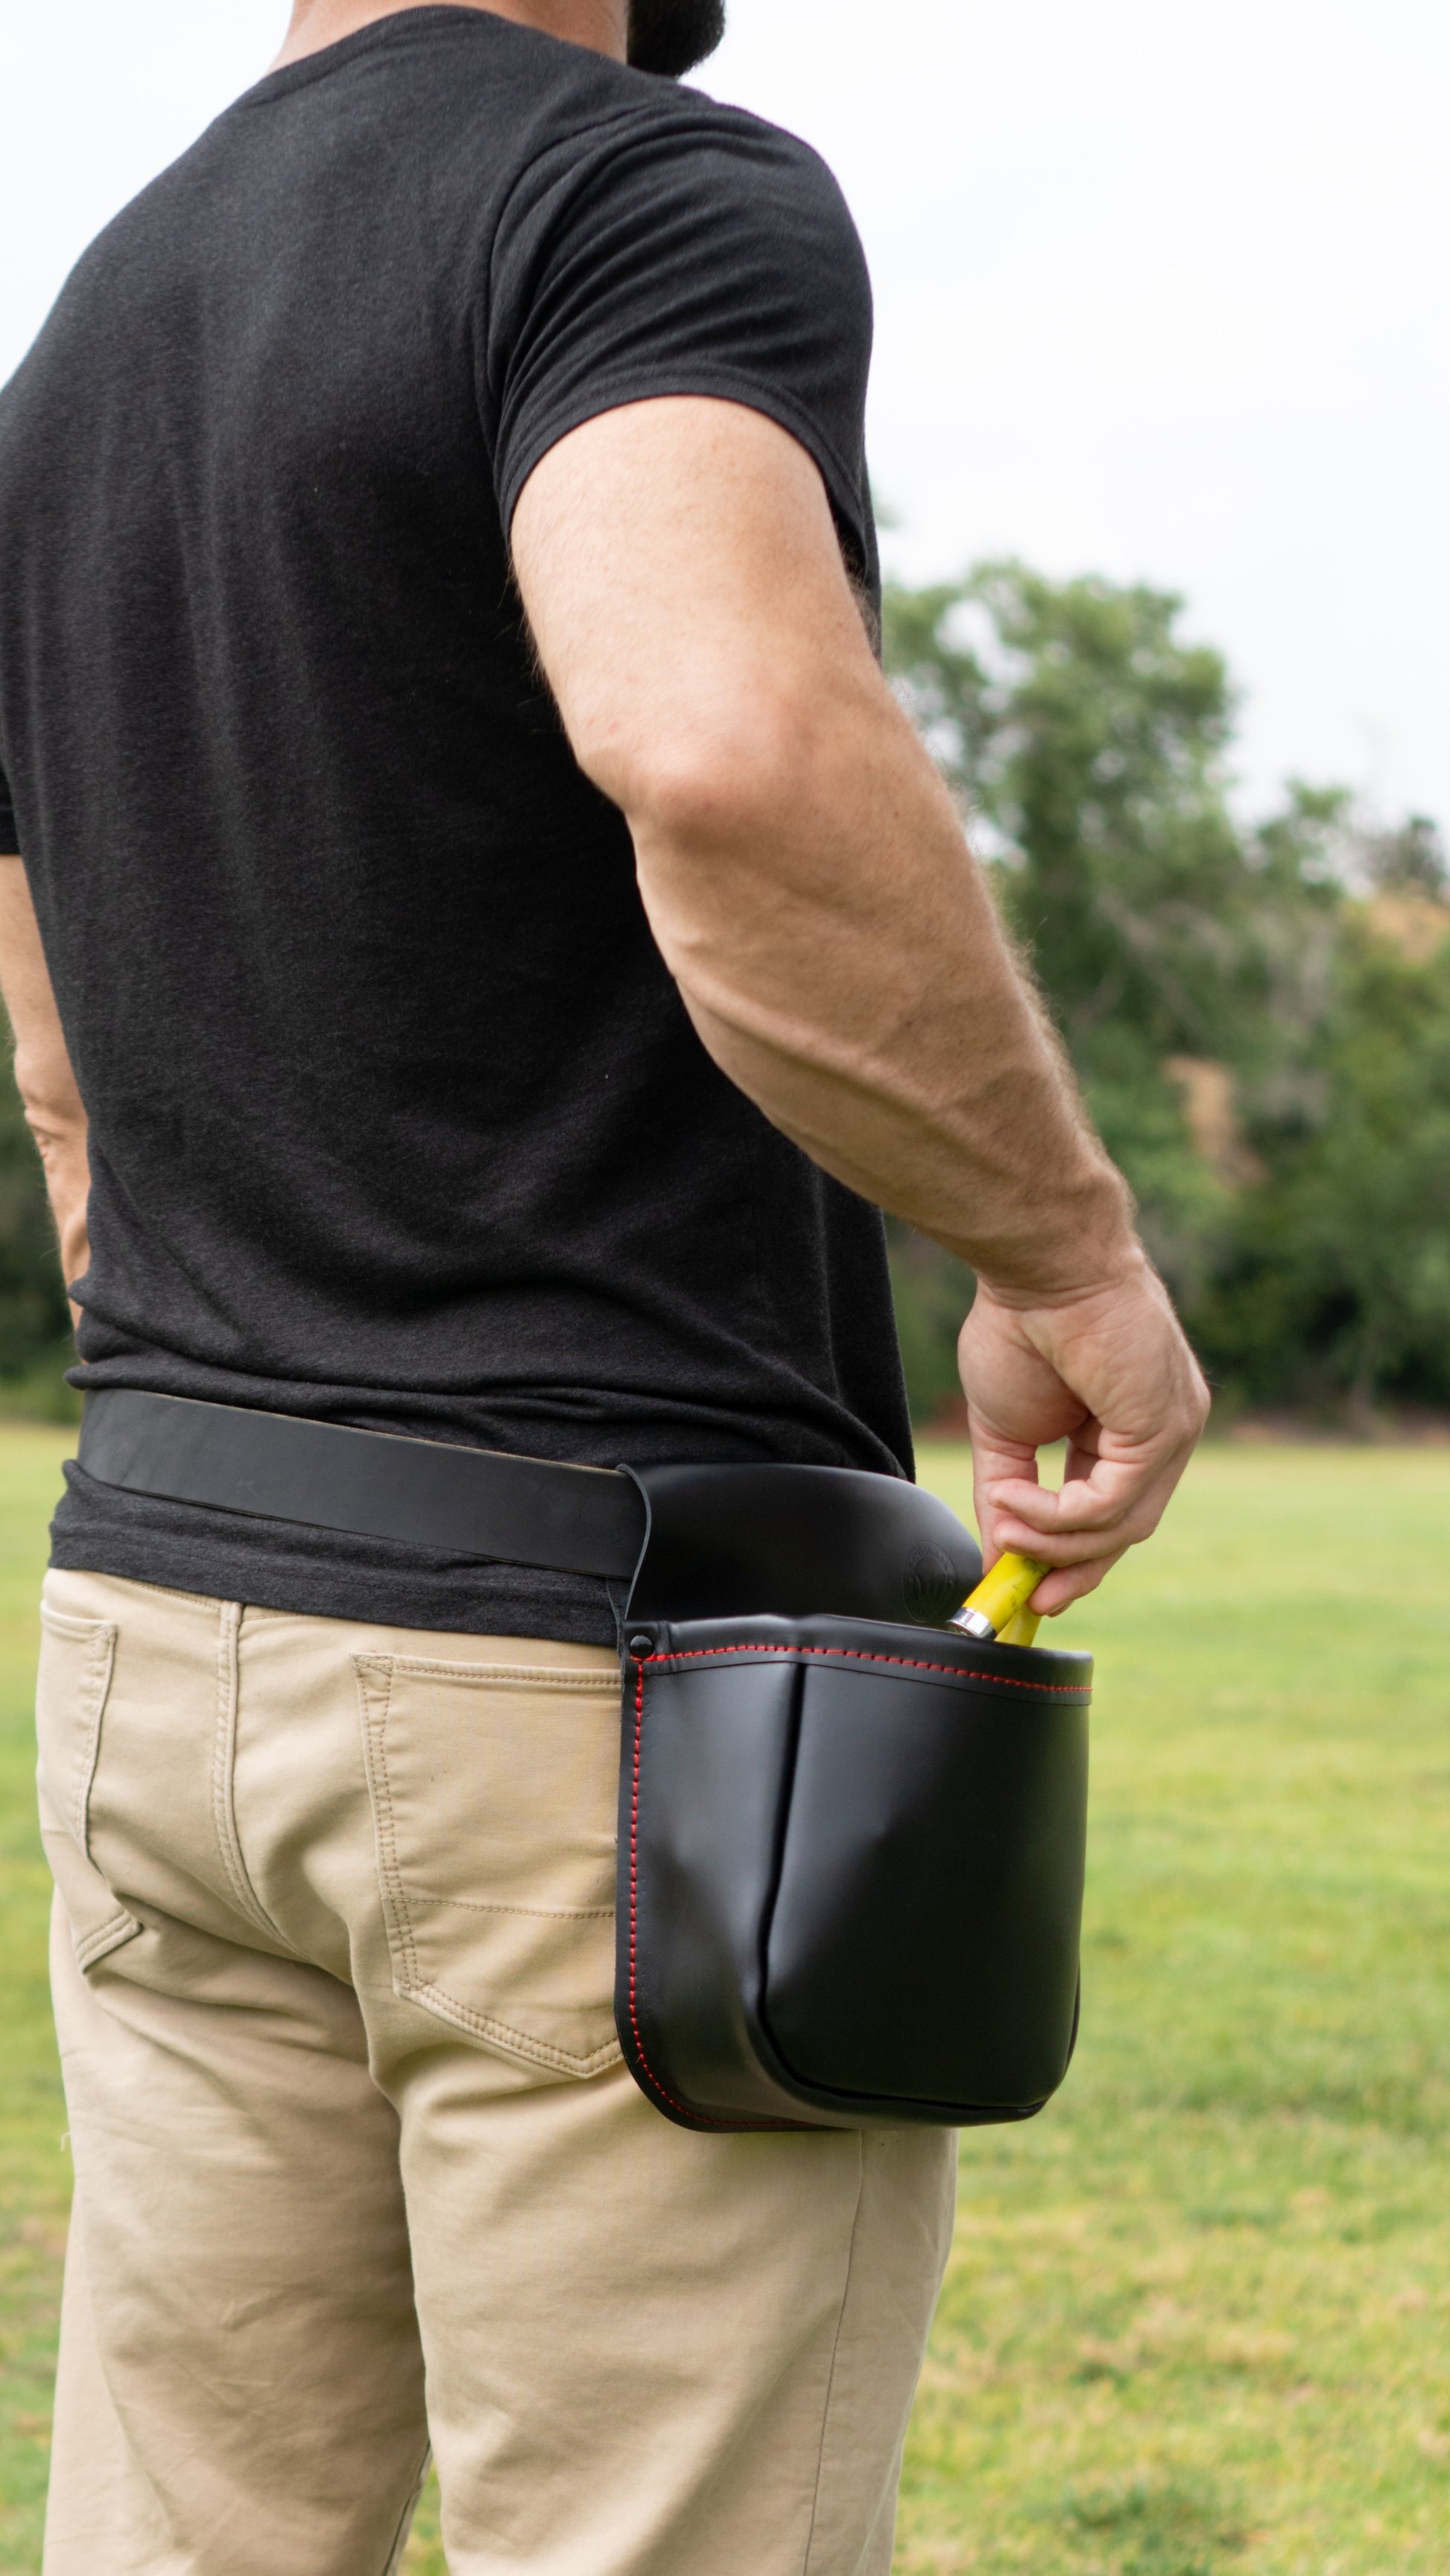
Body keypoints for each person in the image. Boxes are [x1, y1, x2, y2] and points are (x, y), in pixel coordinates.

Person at [0, 1, 1209, 2567]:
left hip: (158, 1619)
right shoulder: (629, 194)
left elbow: (51, 1016)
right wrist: (1063, 1251)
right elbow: (728, 743)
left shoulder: (96, 314)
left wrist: (213, 1359)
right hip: (596, 1685)